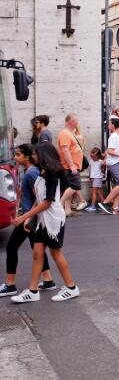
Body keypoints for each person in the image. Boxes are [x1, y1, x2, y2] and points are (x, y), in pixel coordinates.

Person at [11, 143, 79, 303]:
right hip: (43, 219)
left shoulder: (51, 174)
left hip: (53, 219)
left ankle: (71, 287)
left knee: (55, 253)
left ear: (43, 155)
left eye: (35, 153)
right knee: (37, 254)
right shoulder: (41, 172)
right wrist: (30, 218)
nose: (33, 156)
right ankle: (33, 290)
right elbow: (39, 200)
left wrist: (24, 217)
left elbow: (47, 202)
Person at [0, 144, 55, 297]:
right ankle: (48, 280)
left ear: (27, 157)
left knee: (12, 247)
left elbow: (39, 198)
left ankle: (10, 284)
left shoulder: (31, 173)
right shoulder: (29, 171)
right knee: (37, 250)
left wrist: (27, 217)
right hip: (30, 217)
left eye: (18, 155)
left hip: (29, 218)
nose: (15, 158)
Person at [98, 118, 119, 215]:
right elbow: (110, 151)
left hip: (118, 162)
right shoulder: (114, 137)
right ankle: (106, 202)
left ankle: (115, 206)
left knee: (118, 185)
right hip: (115, 163)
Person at [57, 114, 85, 215]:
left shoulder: (69, 133)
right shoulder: (64, 133)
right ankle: (60, 203)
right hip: (70, 166)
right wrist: (72, 165)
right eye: (76, 121)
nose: (77, 123)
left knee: (69, 187)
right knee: (75, 186)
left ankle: (67, 210)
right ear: (71, 122)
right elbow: (65, 150)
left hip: (73, 166)